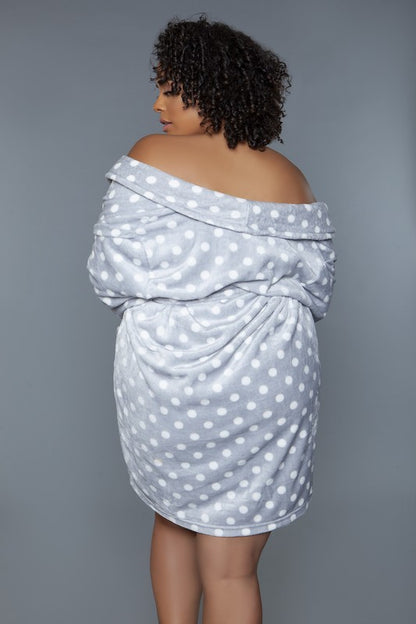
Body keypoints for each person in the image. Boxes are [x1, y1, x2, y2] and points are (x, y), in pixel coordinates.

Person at [86, 13, 336, 624]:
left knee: (171, 515)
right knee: (233, 570)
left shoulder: (151, 157)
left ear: (213, 85)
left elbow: (110, 274)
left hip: (169, 383)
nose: (158, 103)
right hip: (268, 386)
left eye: (172, 87)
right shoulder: (290, 178)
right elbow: (316, 292)